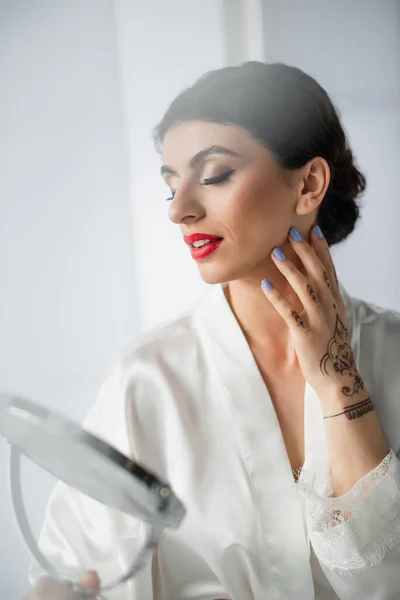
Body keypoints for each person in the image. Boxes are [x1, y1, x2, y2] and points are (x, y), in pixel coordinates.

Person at [28, 62, 400, 600]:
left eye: (215, 175)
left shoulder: (392, 352)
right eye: (170, 185)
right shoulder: (148, 380)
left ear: (309, 183)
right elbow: (76, 567)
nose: (180, 210)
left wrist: (337, 378)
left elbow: (384, 576)